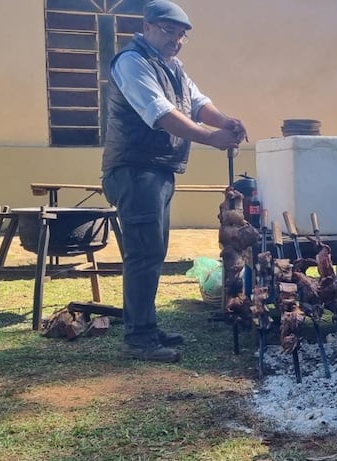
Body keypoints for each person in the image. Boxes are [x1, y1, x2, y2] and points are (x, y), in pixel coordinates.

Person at [101, 0, 248, 362]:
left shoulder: (174, 67)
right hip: (135, 170)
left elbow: (198, 103)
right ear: (147, 26)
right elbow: (160, 113)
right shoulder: (132, 62)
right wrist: (210, 138)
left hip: (157, 170)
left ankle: (146, 326)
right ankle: (138, 338)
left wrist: (225, 121)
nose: (177, 40)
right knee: (143, 252)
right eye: (170, 31)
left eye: (182, 35)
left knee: (153, 251)